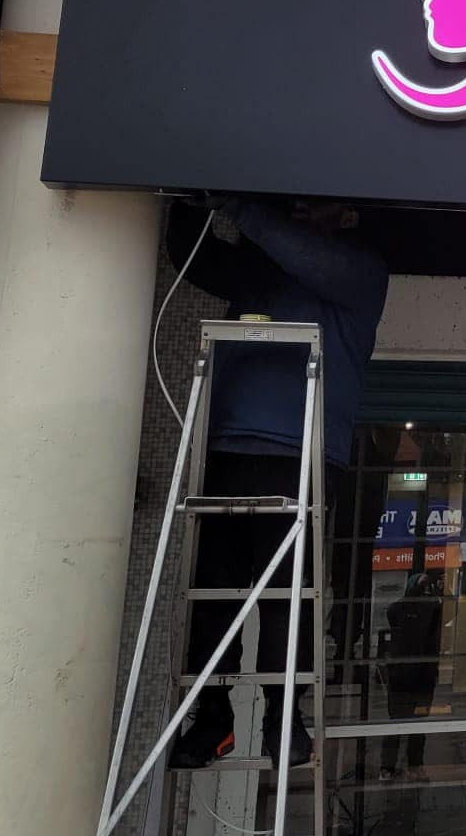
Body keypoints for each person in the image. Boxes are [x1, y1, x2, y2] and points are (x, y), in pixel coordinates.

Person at [166, 196, 390, 769]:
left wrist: (241, 207)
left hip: (300, 458)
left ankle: (283, 716)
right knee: (213, 592)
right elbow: (191, 258)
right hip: (225, 449)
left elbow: (303, 253)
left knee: (287, 596)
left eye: (316, 204)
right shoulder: (261, 270)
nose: (299, 207)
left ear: (349, 217)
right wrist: (184, 199)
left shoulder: (360, 274)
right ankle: (212, 717)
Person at [380, 571, 445, 779]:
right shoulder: (408, 609)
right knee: (405, 721)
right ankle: (402, 766)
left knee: (409, 722)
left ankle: (397, 766)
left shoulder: (420, 609)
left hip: (413, 674)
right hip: (411, 674)